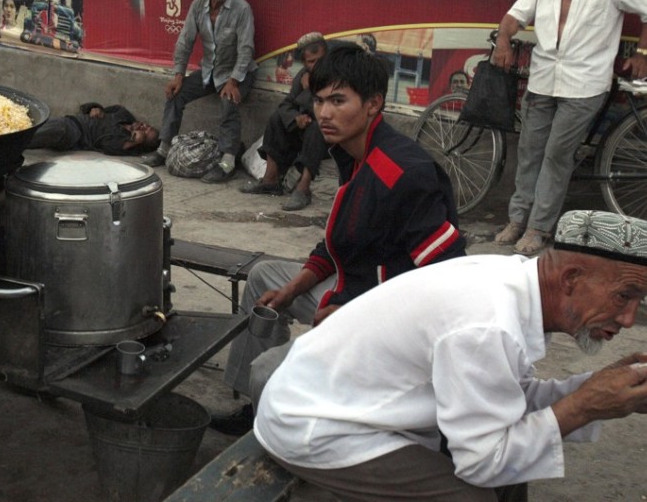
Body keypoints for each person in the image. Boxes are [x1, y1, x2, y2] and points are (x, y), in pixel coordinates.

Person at [256, 209, 647, 501]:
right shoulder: (487, 323)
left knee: (514, 466)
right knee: (471, 496)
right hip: (315, 421)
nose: (629, 319)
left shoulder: (512, 281)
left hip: (339, 397)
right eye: (624, 297)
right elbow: (482, 461)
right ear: (571, 279)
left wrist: (600, 390)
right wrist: (585, 406)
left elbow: (506, 397)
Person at [214, 46, 466, 435]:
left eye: (338, 100)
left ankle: (288, 441)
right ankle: (255, 408)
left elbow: (444, 283)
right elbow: (341, 245)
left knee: (269, 371)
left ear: (373, 104)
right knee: (266, 278)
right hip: (354, 291)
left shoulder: (402, 173)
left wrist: (355, 320)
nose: (324, 114)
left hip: (390, 326)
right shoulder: (351, 154)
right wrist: (292, 289)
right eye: (318, 101)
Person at [492, 0, 647, 256]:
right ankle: (517, 219)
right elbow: (514, 16)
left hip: (585, 83)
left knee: (557, 155)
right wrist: (503, 40)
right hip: (543, 79)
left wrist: (642, 53)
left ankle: (539, 228)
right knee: (530, 151)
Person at [141, 0, 257, 183]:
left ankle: (228, 161)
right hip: (209, 72)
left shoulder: (242, 9)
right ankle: (164, 148)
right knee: (176, 94)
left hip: (238, 73)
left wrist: (233, 82)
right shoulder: (197, 7)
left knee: (228, 101)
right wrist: (178, 75)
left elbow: (246, 50)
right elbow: (184, 42)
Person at [240, 32, 327, 211]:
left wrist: (309, 90)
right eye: (311, 62)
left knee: (316, 127)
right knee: (277, 118)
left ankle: (303, 189)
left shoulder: (336, 75)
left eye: (320, 59)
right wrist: (296, 118)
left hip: (328, 131)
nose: (316, 65)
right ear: (304, 63)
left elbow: (327, 110)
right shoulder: (303, 75)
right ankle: (270, 180)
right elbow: (286, 104)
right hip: (303, 125)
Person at [27, 102, 159, 156]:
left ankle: (9, 142)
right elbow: (87, 107)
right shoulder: (123, 114)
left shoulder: (121, 142)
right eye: (148, 126)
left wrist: (134, 141)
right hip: (69, 120)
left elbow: (107, 146)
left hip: (71, 133)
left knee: (28, 136)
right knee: (28, 126)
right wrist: (95, 109)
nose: (145, 126)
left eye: (146, 132)